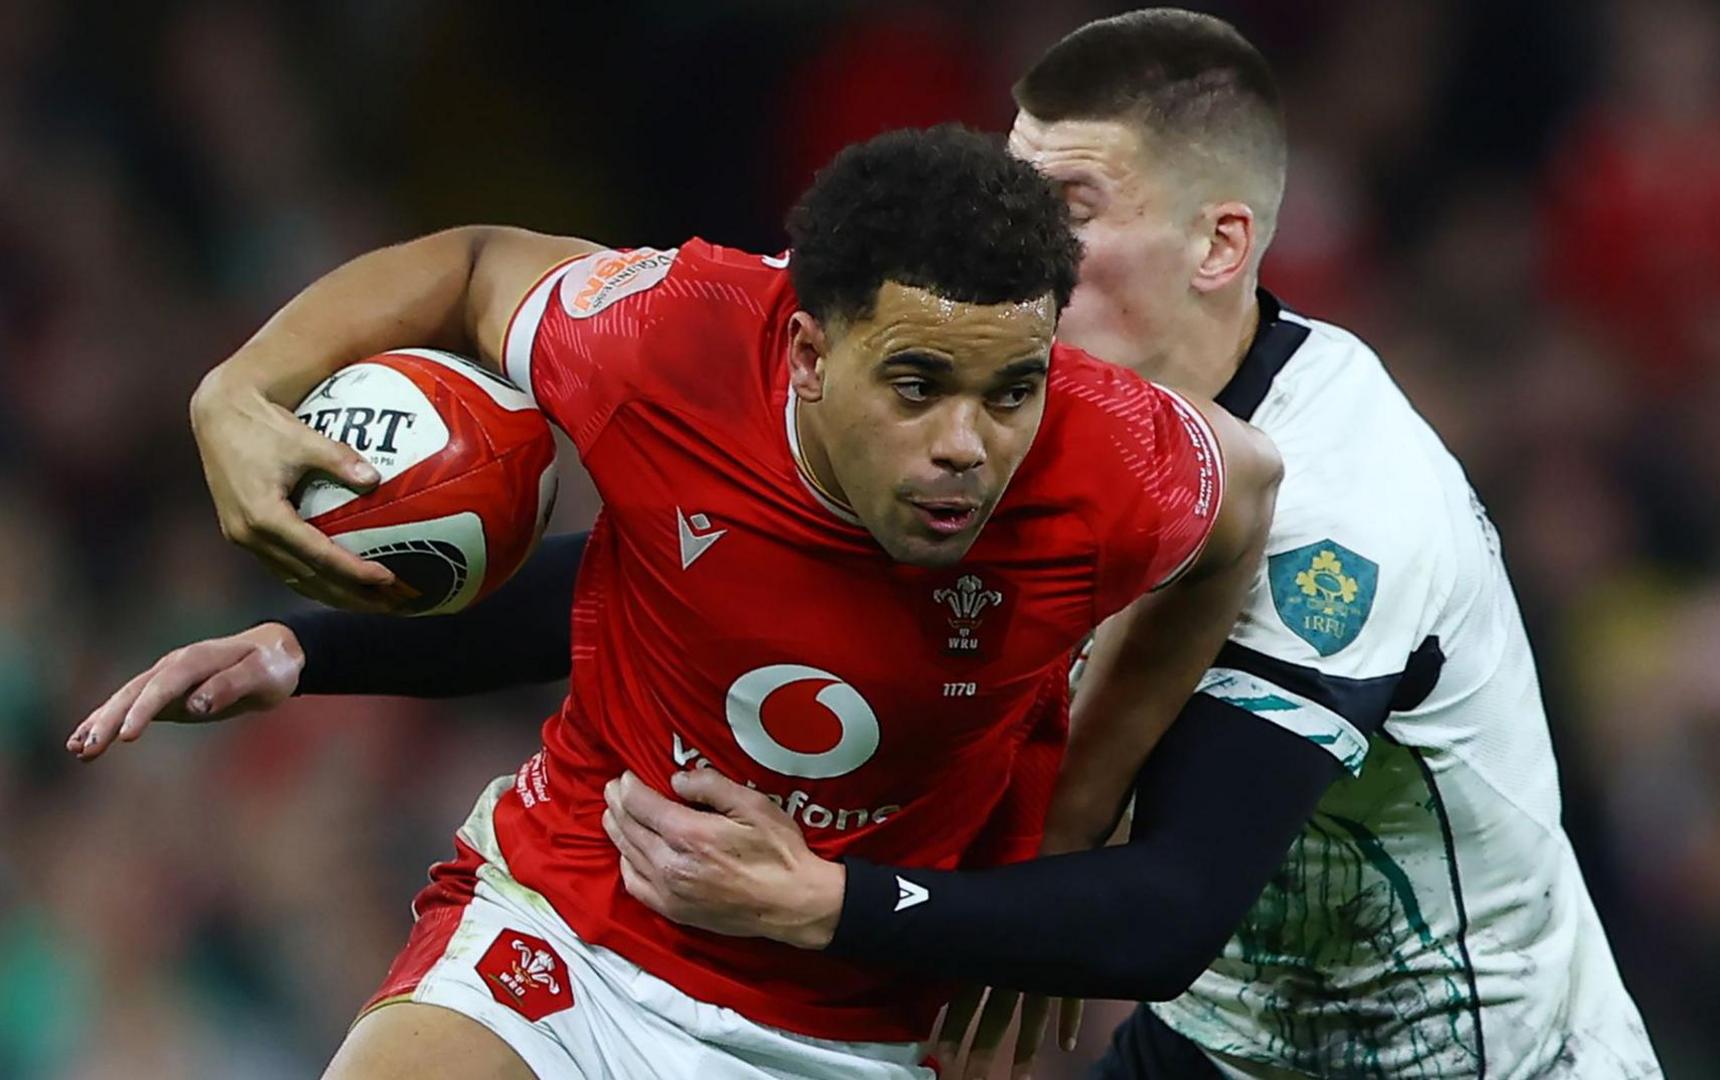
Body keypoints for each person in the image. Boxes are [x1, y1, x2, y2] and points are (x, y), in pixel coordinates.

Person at [79, 9, 1665, 1080]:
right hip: (1160, 1034)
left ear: (1220, 242)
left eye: (1068, 202)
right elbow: (695, 552)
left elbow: (1173, 899)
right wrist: (304, 602)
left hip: (1459, 1054)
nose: (1017, 237)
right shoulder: (829, 329)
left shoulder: (1316, 504)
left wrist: (952, 870)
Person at [73, 122, 1284, 1080]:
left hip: (856, 1026)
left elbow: (1242, 507)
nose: (967, 443)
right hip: (569, 924)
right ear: (809, 354)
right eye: (915, 384)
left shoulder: (1120, 464)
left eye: (1012, 389)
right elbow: (477, 264)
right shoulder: (674, 340)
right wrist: (236, 391)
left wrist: (1068, 825)